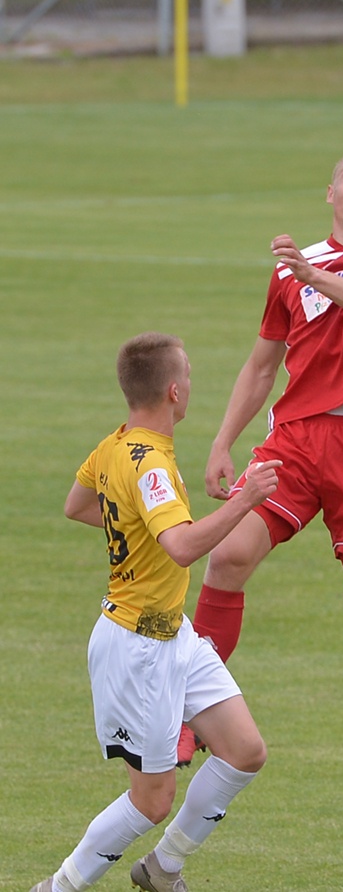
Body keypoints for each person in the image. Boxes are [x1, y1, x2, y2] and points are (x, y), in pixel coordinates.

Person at [179, 148, 343, 850]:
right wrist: (223, 441)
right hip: (291, 442)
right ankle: (189, 713)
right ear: (330, 192)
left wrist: (315, 272)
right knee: (225, 555)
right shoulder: (293, 270)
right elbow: (263, 363)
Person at [29, 332, 281, 892]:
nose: (191, 384)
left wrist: (141, 528)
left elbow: (77, 505)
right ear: (173, 390)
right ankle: (60, 887)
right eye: (188, 375)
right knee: (152, 800)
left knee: (244, 751)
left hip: (174, 635)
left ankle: (163, 868)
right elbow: (186, 547)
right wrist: (247, 498)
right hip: (136, 646)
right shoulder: (153, 469)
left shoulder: (115, 445)